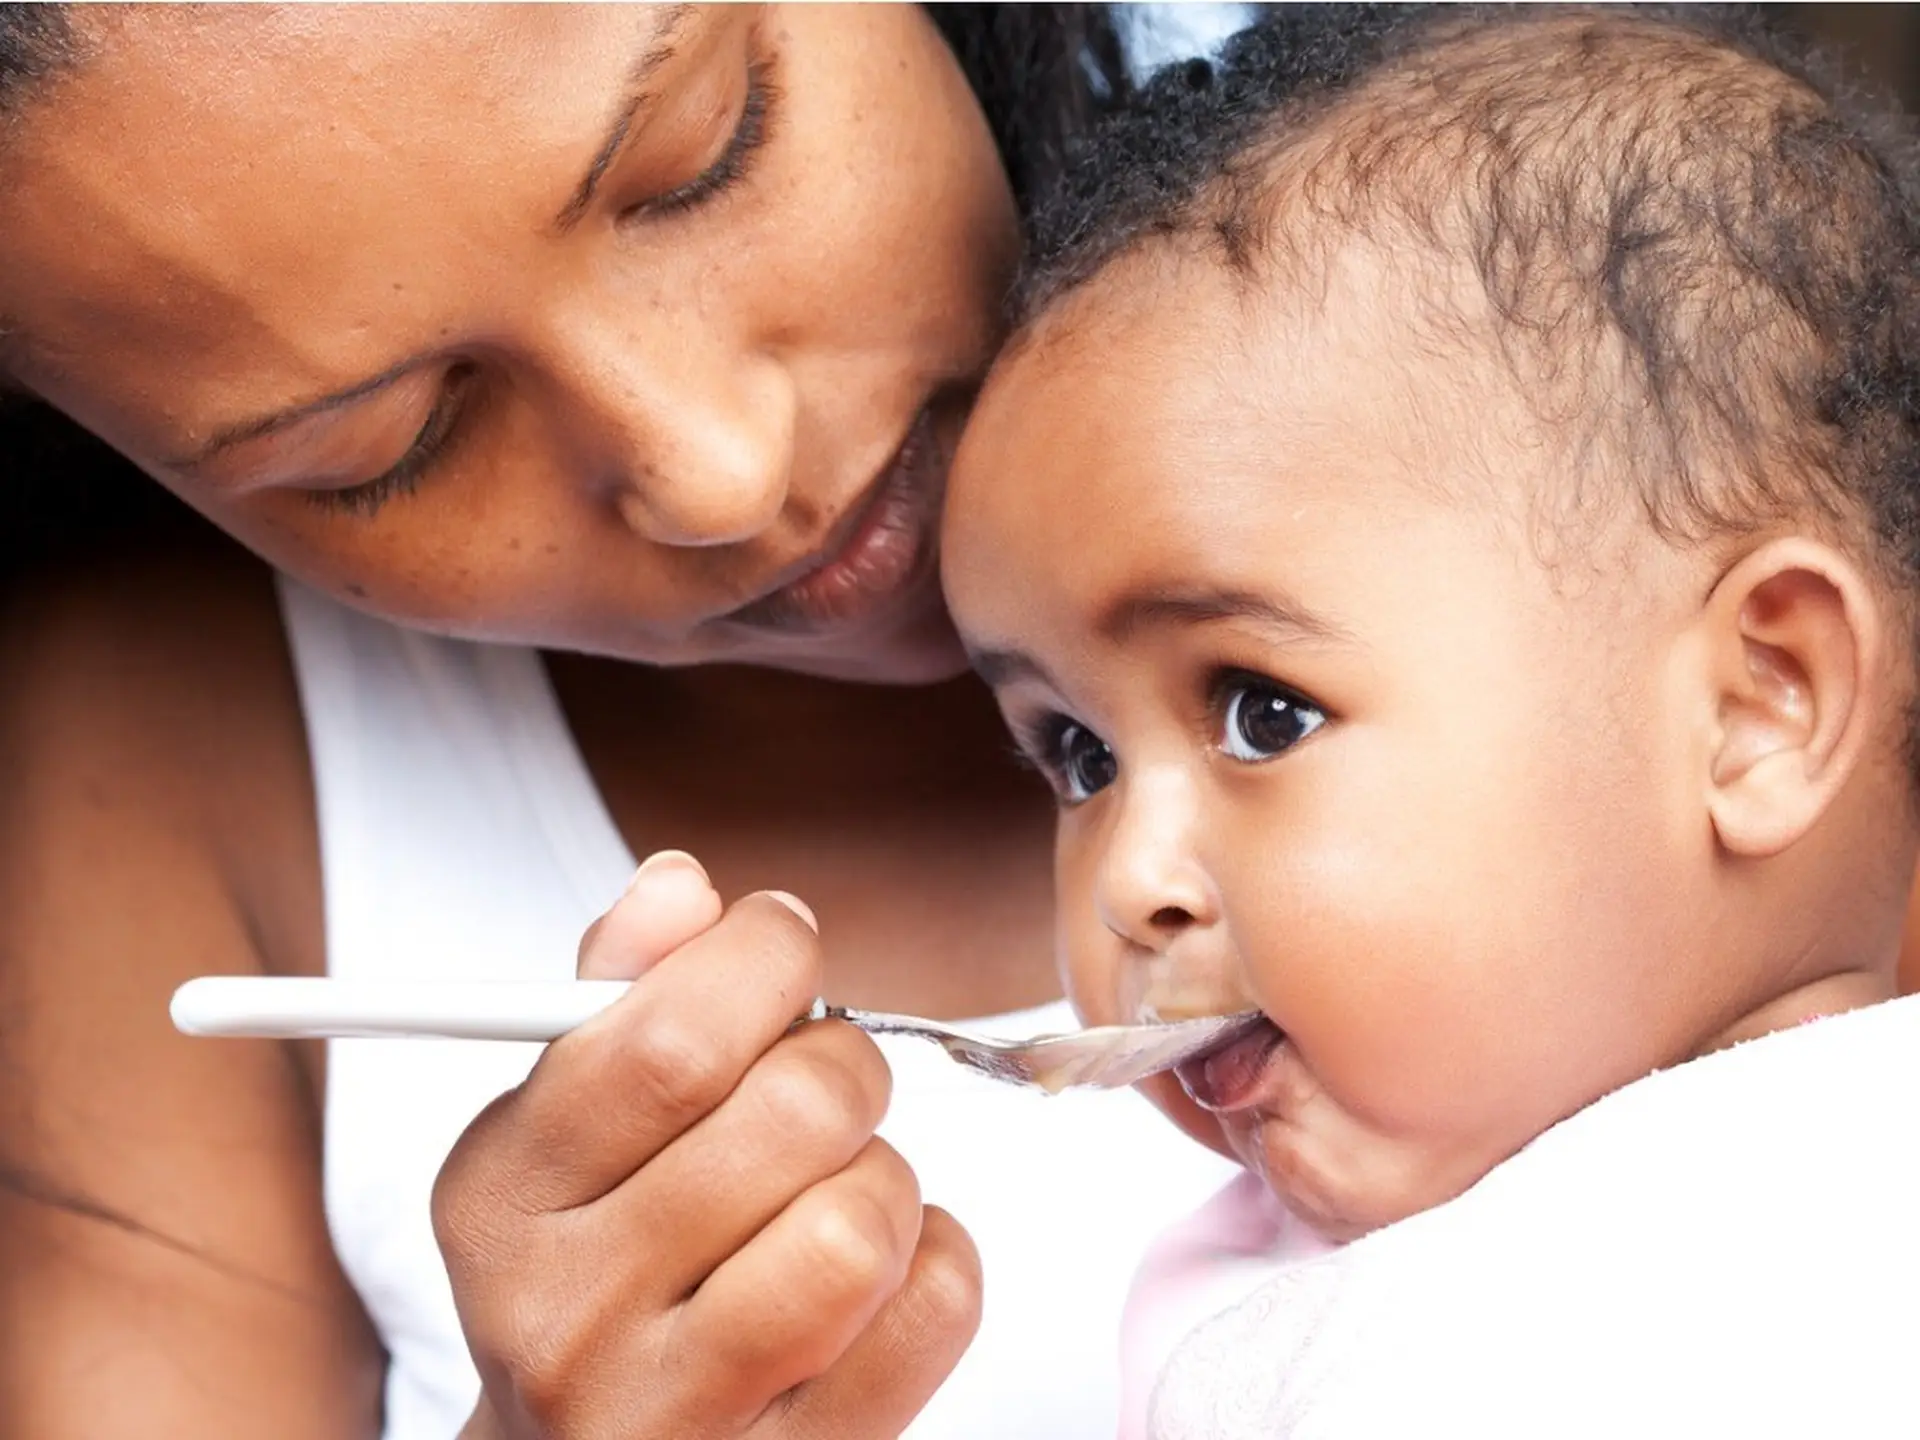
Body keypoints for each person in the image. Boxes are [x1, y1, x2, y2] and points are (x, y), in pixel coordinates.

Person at [0, 7, 1248, 1439]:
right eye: (385, 449)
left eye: (708, 157)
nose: (719, 473)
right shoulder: (166, 768)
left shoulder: (1468, 302)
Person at [938, 4, 1920, 1434]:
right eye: (1078, 756)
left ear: (1758, 704)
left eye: (1264, 715)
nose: (1130, 885)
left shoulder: (1764, 1296)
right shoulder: (1301, 1291)